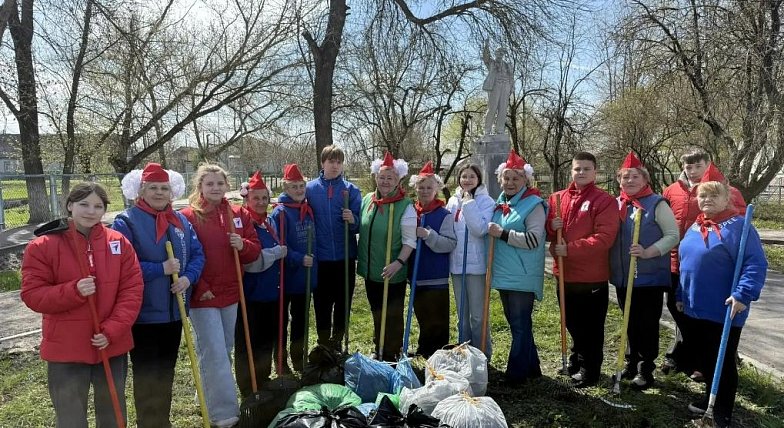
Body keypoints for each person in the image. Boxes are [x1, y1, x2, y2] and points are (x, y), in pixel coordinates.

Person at [21, 182, 143, 428]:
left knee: (112, 412)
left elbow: (132, 290)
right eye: (84, 204)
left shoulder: (118, 241)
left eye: (98, 206)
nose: (91, 211)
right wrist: (73, 290)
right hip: (66, 347)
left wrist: (112, 330)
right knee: (70, 416)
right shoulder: (42, 246)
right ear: (69, 206)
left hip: (110, 343)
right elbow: (33, 294)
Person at [112, 163, 205, 427]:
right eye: (152, 187)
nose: (159, 192)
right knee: (146, 375)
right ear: (140, 191)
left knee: (166, 372)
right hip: (144, 314)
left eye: (164, 188)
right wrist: (159, 269)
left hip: (174, 312)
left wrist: (188, 277)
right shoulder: (127, 221)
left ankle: (162, 422)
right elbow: (119, 265)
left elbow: (198, 254)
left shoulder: (181, 221)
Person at [677, 165, 766, 428]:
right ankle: (709, 398)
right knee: (704, 358)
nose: (707, 200)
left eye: (714, 195)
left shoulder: (740, 227)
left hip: (724, 308)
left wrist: (743, 294)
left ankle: (722, 411)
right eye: (703, 195)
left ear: (727, 197)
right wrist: (681, 293)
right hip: (694, 306)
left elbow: (755, 264)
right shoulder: (697, 225)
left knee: (722, 362)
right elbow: (686, 262)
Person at [180, 164, 261, 428]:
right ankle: (224, 414)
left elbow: (254, 250)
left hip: (231, 292)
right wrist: (200, 286)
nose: (215, 188)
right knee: (213, 351)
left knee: (223, 348)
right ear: (200, 187)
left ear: (227, 185)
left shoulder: (238, 213)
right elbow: (186, 256)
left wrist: (243, 245)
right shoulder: (189, 216)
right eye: (209, 184)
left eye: (219, 183)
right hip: (204, 295)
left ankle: (206, 392)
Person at [662, 148, 746, 380]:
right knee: (680, 310)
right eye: (689, 167)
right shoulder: (672, 190)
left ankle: (706, 362)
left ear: (708, 164)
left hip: (713, 264)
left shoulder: (728, 191)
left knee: (709, 318)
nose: (693, 171)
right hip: (677, 260)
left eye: (698, 166)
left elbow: (737, 223)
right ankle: (687, 354)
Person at [546, 151, 619, 388]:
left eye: (587, 169)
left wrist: (571, 249)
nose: (581, 172)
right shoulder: (557, 198)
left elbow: (604, 238)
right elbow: (550, 234)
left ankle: (591, 370)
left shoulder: (604, 200)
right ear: (572, 171)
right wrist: (551, 226)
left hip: (590, 276)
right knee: (571, 322)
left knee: (590, 327)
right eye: (577, 168)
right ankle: (577, 360)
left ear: (595, 172)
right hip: (564, 273)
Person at [608, 153, 679, 390]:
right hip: (622, 276)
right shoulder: (616, 203)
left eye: (635, 176)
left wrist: (649, 251)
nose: (630, 180)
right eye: (625, 177)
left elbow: (673, 235)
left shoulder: (656, 203)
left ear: (645, 179)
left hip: (648, 278)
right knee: (629, 322)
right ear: (619, 180)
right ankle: (630, 363)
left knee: (646, 324)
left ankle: (645, 369)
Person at [487, 150, 547, 385]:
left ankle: (516, 375)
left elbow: (533, 240)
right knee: (517, 324)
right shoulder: (500, 203)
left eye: (516, 178)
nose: (510, 182)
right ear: (500, 179)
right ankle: (532, 368)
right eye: (506, 178)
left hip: (523, 274)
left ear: (525, 180)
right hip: (504, 274)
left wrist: (501, 234)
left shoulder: (533, 204)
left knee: (520, 325)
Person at [357, 151, 415, 362]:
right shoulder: (367, 200)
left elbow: (410, 241)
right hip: (371, 270)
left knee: (392, 315)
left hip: (392, 271)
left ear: (398, 180)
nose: (385, 181)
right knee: (376, 312)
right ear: (375, 177)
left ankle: (392, 353)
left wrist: (398, 263)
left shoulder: (404, 206)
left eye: (390, 177)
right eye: (382, 177)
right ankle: (378, 348)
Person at [235, 171, 287, 398]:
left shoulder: (269, 221)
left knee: (267, 340)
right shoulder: (243, 225)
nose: (260, 202)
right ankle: (248, 387)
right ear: (246, 199)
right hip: (251, 294)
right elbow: (252, 262)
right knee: (249, 344)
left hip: (272, 293)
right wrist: (277, 253)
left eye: (264, 198)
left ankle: (263, 379)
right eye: (255, 198)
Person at [305, 145, 362, 351]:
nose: (335, 165)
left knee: (343, 301)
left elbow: (359, 223)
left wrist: (352, 218)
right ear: (323, 163)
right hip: (321, 257)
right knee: (321, 302)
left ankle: (337, 340)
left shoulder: (351, 190)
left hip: (344, 256)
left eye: (339, 161)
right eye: (331, 161)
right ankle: (323, 341)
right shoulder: (310, 189)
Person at [271, 163, 318, 373]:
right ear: (286, 189)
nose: (299, 190)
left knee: (300, 320)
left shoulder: (307, 210)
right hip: (286, 277)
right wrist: (299, 258)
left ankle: (299, 359)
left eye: (301, 186)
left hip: (305, 277)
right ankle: (281, 362)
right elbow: (278, 246)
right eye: (294, 187)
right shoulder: (280, 213)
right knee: (281, 322)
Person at [407, 161, 457, 357]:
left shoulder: (443, 215)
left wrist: (429, 235)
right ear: (416, 189)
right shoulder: (411, 212)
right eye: (421, 187)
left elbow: (450, 243)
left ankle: (440, 353)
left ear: (436, 189)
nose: (425, 191)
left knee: (438, 317)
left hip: (436, 276)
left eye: (429, 187)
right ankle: (424, 348)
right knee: (422, 314)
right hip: (417, 274)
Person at [446, 163, 496, 357]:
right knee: (462, 316)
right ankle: (464, 352)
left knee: (477, 315)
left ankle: (482, 353)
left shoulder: (486, 202)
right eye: (464, 176)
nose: (467, 180)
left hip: (476, 266)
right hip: (457, 265)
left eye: (472, 177)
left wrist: (468, 203)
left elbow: (480, 229)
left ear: (479, 179)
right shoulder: (452, 201)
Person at [481, 41, 513, 135]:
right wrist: (486, 47)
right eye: (499, 52)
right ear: (495, 53)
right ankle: (487, 129)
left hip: (506, 86)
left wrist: (512, 87)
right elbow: (486, 58)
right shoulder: (492, 63)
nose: (501, 54)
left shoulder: (507, 65)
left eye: (502, 53)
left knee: (503, 109)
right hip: (495, 86)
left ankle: (500, 129)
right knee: (492, 108)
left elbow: (511, 77)